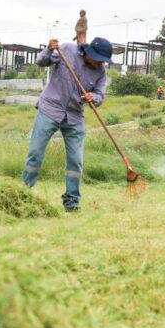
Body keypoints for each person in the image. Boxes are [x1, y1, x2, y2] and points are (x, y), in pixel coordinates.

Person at [21, 36, 112, 212]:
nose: (101, 64)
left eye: (103, 61)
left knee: (76, 161)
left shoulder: (100, 72)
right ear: (89, 53)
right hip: (50, 109)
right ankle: (23, 192)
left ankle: (71, 202)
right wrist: (48, 49)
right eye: (98, 60)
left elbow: (101, 95)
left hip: (75, 116)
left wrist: (94, 97)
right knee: (35, 153)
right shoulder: (67, 50)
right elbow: (42, 61)